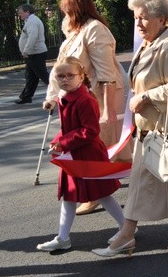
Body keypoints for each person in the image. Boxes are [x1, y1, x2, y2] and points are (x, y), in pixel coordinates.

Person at [93, 0, 168, 257]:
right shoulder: (148, 45)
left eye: (144, 18)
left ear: (161, 19)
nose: (138, 24)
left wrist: (145, 97)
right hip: (151, 129)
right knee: (139, 183)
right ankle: (127, 234)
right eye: (136, 18)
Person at [43, 0, 130, 215]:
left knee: (100, 149)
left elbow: (107, 73)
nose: (64, 15)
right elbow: (63, 67)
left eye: (66, 10)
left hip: (100, 98)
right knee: (94, 149)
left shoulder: (95, 30)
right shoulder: (74, 32)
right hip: (80, 100)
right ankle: (98, 192)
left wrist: (108, 109)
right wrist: (52, 97)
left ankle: (96, 195)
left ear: (75, 10)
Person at [36, 57, 125, 252]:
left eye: (70, 75)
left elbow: (90, 130)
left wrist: (64, 142)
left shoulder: (85, 99)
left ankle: (126, 228)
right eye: (60, 76)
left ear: (81, 76)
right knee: (70, 195)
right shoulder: (64, 97)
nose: (65, 79)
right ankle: (63, 237)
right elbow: (68, 128)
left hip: (88, 155)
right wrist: (57, 142)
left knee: (102, 194)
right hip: (74, 154)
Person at [16, 4, 48, 104]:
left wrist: (26, 51)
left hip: (35, 53)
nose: (19, 15)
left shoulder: (32, 21)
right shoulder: (30, 21)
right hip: (34, 53)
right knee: (31, 76)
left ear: (27, 12)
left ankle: (61, 93)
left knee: (43, 75)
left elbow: (32, 37)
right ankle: (26, 96)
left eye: (21, 13)